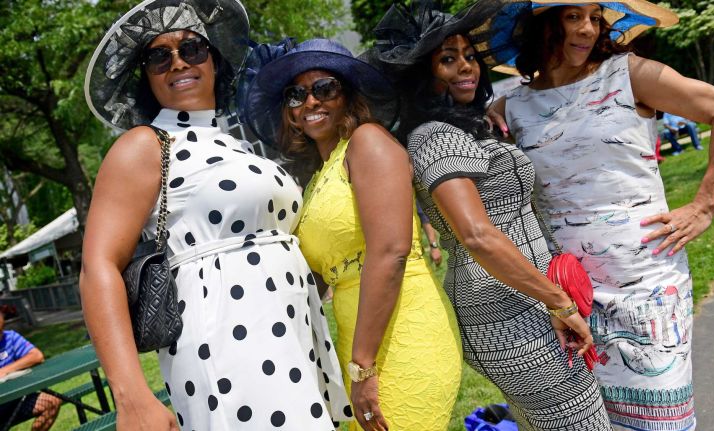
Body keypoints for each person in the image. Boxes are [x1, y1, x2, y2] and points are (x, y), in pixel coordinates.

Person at [485, 1, 714, 429]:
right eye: (574, 16)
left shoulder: (629, 74)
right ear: (541, 27)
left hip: (645, 282)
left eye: (595, 18)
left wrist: (705, 206)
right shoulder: (511, 107)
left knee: (661, 418)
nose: (588, 29)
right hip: (568, 293)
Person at [80, 1, 349, 430]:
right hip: (225, 343)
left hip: (291, 335)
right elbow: (98, 267)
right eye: (158, 56)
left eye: (192, 49)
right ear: (146, 76)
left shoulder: (232, 141)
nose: (177, 63)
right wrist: (130, 395)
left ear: (214, 60)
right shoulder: (144, 145)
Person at [366, 2, 611, 429]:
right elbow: (477, 235)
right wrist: (557, 300)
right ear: (422, 75)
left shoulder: (467, 126)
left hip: (524, 294)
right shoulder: (434, 137)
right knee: (578, 420)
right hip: (506, 307)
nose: (467, 67)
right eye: (448, 59)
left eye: (468, 55)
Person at [239, 38, 463, 431]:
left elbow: (390, 252)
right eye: (296, 95)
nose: (310, 102)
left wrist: (362, 368)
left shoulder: (368, 142)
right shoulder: (316, 180)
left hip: (402, 337)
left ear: (348, 96)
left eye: (324, 88)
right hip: (359, 344)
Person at [0, 311, 62, 431]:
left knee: (51, 402)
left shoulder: (10, 337)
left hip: (16, 402)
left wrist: (5, 370)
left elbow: (37, 356)